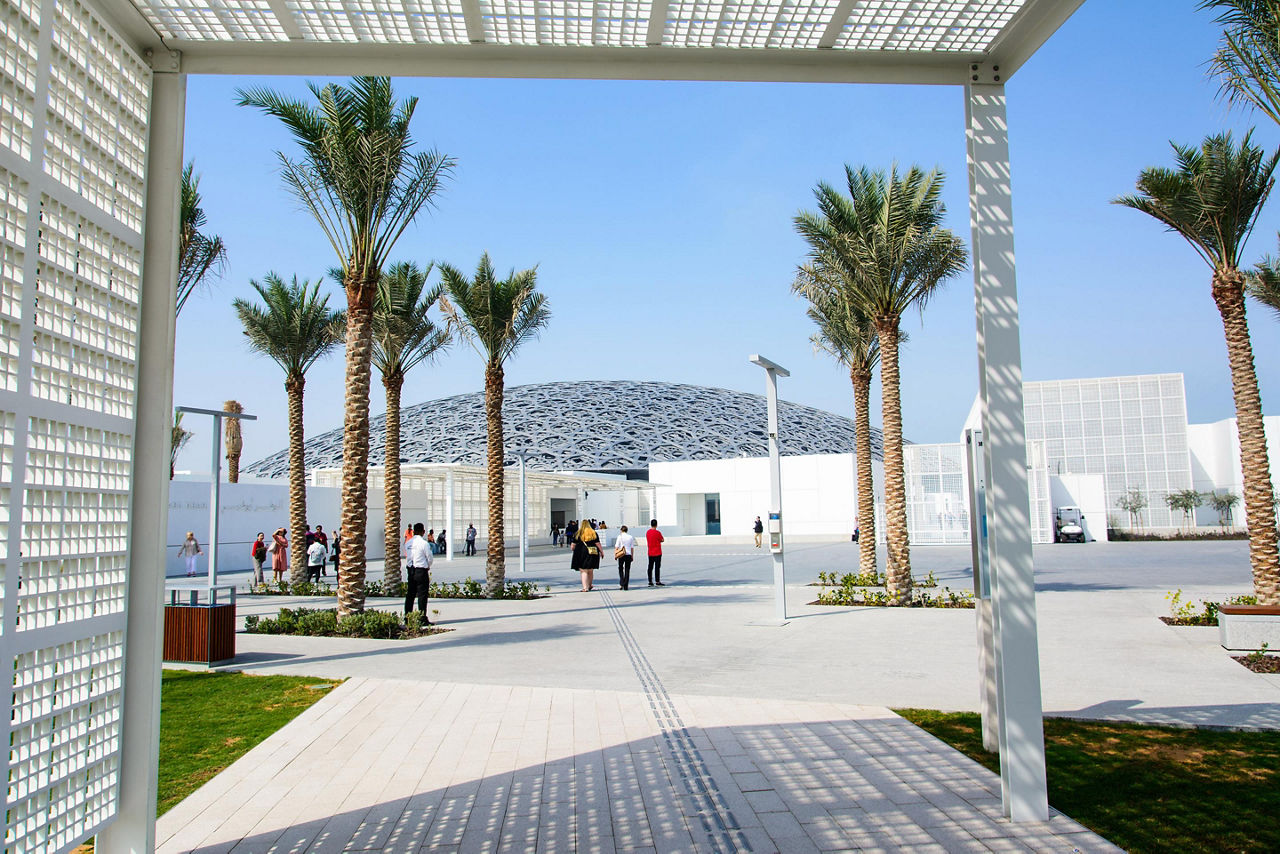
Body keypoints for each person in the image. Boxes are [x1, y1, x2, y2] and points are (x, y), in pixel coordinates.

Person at [404, 522, 433, 622]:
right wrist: (428, 566)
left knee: (410, 595)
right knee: (422, 595)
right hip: (421, 570)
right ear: (423, 532)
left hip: (411, 570)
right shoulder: (424, 543)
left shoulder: (408, 543)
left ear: (414, 532)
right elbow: (429, 557)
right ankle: (422, 618)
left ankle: (407, 617)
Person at [571, 520, 601, 592]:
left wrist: (573, 549)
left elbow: (573, 545)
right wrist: (602, 552)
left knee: (583, 570)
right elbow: (598, 544)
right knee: (590, 570)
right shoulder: (593, 533)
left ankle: (585, 587)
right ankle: (590, 585)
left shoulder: (578, 533)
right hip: (592, 552)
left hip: (581, 553)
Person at [614, 525, 636, 591]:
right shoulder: (630, 537)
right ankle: (626, 585)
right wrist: (632, 555)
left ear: (621, 530)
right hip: (628, 554)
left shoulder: (619, 537)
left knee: (620, 568)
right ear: (627, 530)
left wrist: (615, 554)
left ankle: (621, 582)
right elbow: (632, 547)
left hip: (621, 554)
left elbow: (616, 547)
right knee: (627, 569)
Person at [645, 519, 665, 587]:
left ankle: (650, 581)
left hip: (650, 552)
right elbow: (662, 540)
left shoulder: (648, 532)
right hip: (657, 552)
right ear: (656, 524)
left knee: (650, 567)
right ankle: (657, 581)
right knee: (657, 567)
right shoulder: (658, 533)